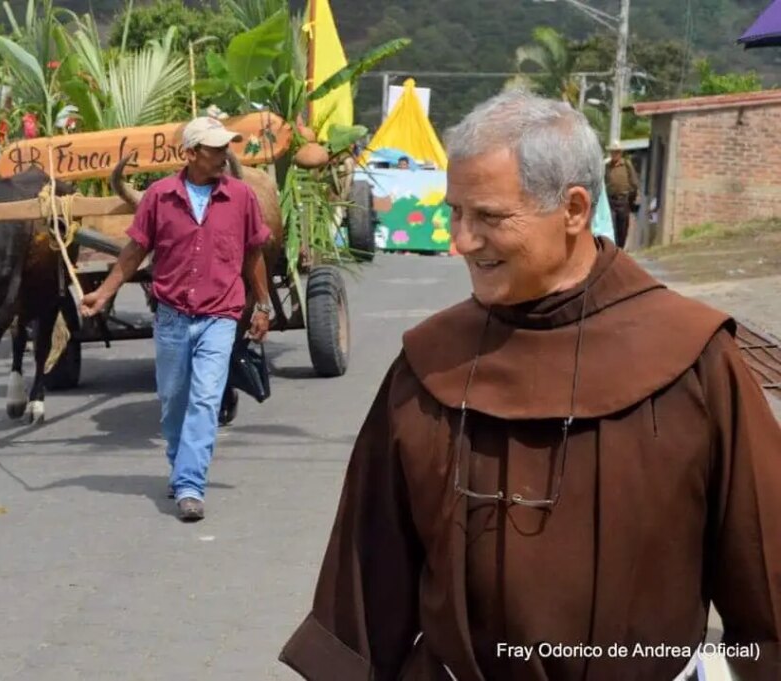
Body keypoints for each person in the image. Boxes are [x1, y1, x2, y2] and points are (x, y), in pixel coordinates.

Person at [278, 90, 781, 680]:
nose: (459, 241)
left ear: (572, 210)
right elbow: (366, 584)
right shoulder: (429, 366)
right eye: (456, 212)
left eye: (488, 217)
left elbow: (767, 586)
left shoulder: (696, 361)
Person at [79, 116, 272, 522]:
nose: (224, 155)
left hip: (220, 315)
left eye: (226, 148)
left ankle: (189, 485)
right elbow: (134, 251)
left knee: (205, 400)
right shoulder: (159, 196)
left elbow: (253, 254)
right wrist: (106, 290)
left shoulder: (241, 197)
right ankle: (179, 464)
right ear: (190, 154)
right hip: (171, 318)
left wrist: (264, 304)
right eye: (216, 149)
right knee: (173, 402)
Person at [605, 139, 639, 248]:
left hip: (623, 201)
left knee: (622, 228)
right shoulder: (607, 167)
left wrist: (632, 199)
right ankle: (613, 248)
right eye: (613, 152)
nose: (614, 154)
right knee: (612, 226)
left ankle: (620, 248)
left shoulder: (626, 165)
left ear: (620, 153)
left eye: (617, 152)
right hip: (610, 201)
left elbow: (634, 183)